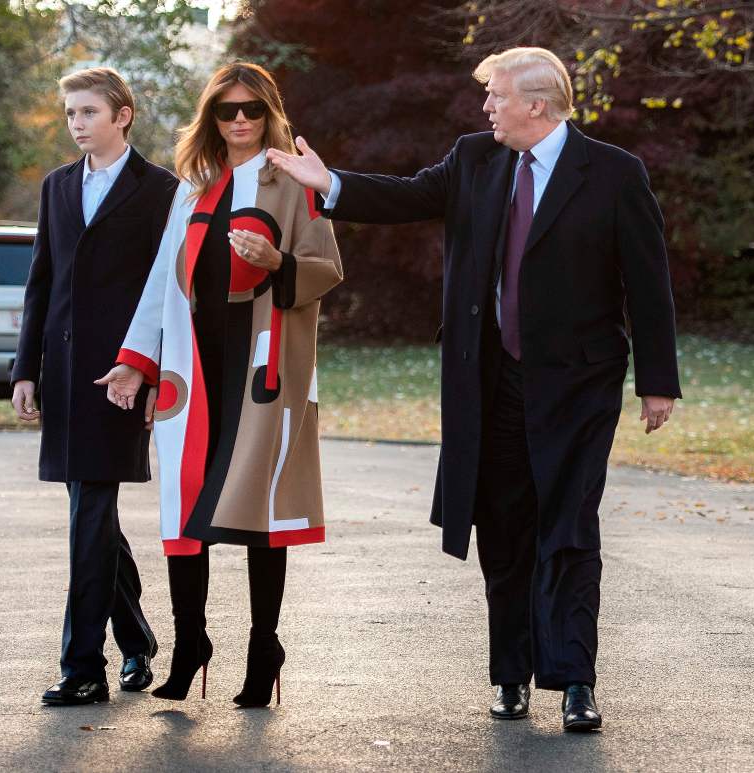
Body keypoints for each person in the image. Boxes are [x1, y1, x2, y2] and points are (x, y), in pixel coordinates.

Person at [268, 47, 681, 731]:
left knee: (570, 525)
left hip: (579, 384)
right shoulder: (474, 159)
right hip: (489, 380)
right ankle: (510, 674)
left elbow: (648, 282)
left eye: (496, 96)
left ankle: (576, 679)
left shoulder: (612, 173)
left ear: (538, 105)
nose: (485, 106)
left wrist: (657, 382)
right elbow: (407, 197)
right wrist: (330, 183)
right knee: (504, 527)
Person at [95, 62, 343, 708]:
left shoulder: (292, 180)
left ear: (269, 114)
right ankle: (190, 642)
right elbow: (161, 282)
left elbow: (326, 266)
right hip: (195, 367)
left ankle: (265, 647)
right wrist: (136, 360)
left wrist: (278, 262)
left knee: (260, 511)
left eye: (251, 110)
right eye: (227, 111)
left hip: (260, 367)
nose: (239, 121)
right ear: (212, 118)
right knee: (185, 511)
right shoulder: (192, 189)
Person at [10, 67, 178, 706]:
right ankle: (135, 640)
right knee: (91, 513)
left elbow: (167, 292)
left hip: (123, 377)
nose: (77, 123)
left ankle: (83, 668)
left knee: (91, 508)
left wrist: (150, 368)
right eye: (71, 113)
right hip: (65, 371)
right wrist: (26, 369)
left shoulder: (162, 189)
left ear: (122, 115)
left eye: (88, 112)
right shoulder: (56, 186)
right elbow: (41, 282)